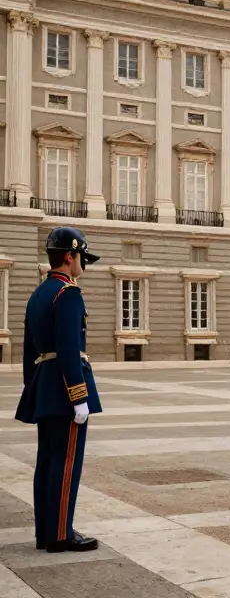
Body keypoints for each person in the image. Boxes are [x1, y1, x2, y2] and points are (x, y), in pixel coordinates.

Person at [15, 227, 103, 553]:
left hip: (45, 387)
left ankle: (46, 532)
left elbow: (29, 353)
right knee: (66, 464)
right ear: (69, 256)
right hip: (67, 388)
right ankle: (61, 534)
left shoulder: (38, 294)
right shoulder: (68, 294)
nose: (83, 264)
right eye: (81, 257)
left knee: (47, 462)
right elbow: (68, 348)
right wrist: (79, 397)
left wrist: (32, 389)